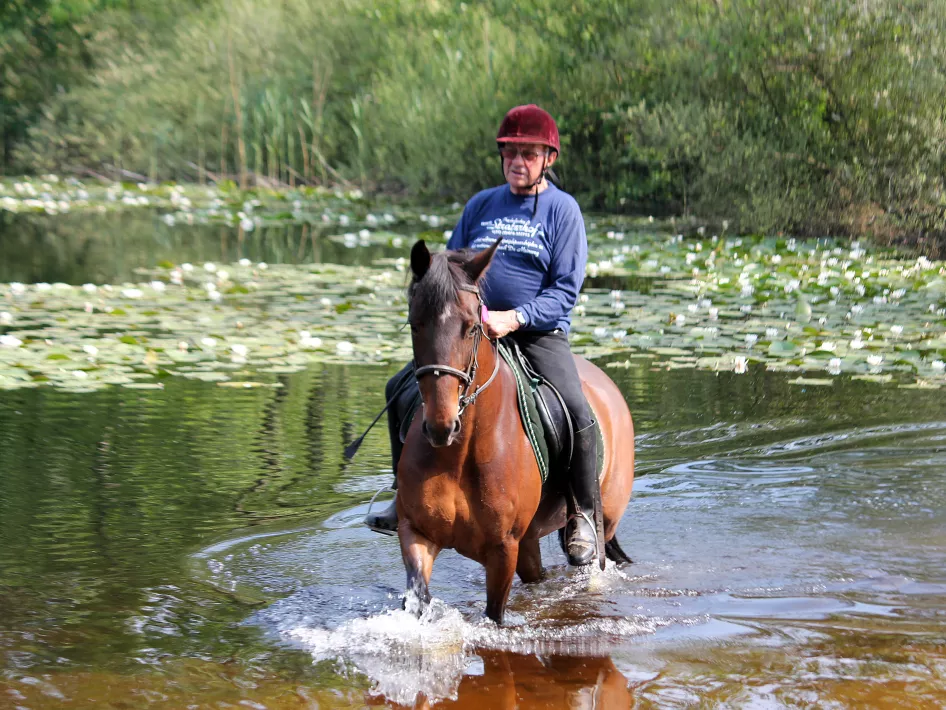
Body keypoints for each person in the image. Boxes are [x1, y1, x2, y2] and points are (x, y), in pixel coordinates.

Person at [365, 104, 598, 566]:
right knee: (399, 389)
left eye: (528, 154)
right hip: (473, 331)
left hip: (535, 333)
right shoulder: (481, 205)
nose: (517, 162)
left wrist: (515, 317)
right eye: (510, 154)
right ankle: (403, 496)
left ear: (548, 158)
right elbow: (448, 271)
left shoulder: (562, 211)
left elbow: (566, 289)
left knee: (576, 409)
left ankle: (583, 513)